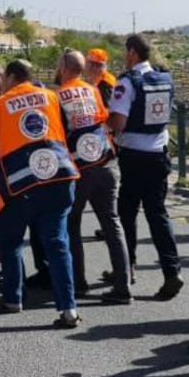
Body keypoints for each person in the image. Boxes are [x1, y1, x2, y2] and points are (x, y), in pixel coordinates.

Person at [0, 59, 82, 327]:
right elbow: (66, 130)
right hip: (60, 178)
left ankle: (13, 299)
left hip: (20, 185)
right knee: (58, 244)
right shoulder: (51, 97)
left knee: (11, 242)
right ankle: (68, 310)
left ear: (9, 77)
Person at [107, 34, 184, 300]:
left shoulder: (127, 83)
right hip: (159, 155)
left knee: (125, 214)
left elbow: (118, 122)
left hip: (134, 157)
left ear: (132, 53)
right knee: (158, 215)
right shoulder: (165, 79)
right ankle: (172, 271)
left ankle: (125, 270)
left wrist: (106, 119)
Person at [56, 50, 131, 304]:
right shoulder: (92, 90)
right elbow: (104, 120)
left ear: (64, 68)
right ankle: (123, 286)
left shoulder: (58, 97)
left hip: (80, 170)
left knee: (72, 224)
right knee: (112, 223)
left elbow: (57, 134)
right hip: (107, 162)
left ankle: (78, 284)